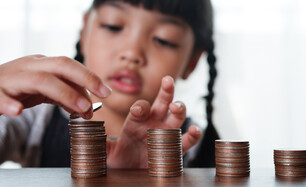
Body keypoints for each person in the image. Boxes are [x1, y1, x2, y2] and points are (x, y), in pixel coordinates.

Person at [0, 0, 219, 168]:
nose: (132, 53)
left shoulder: (192, 143)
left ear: (192, 62)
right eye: (113, 26)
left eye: (163, 40)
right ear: (85, 31)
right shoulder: (33, 119)